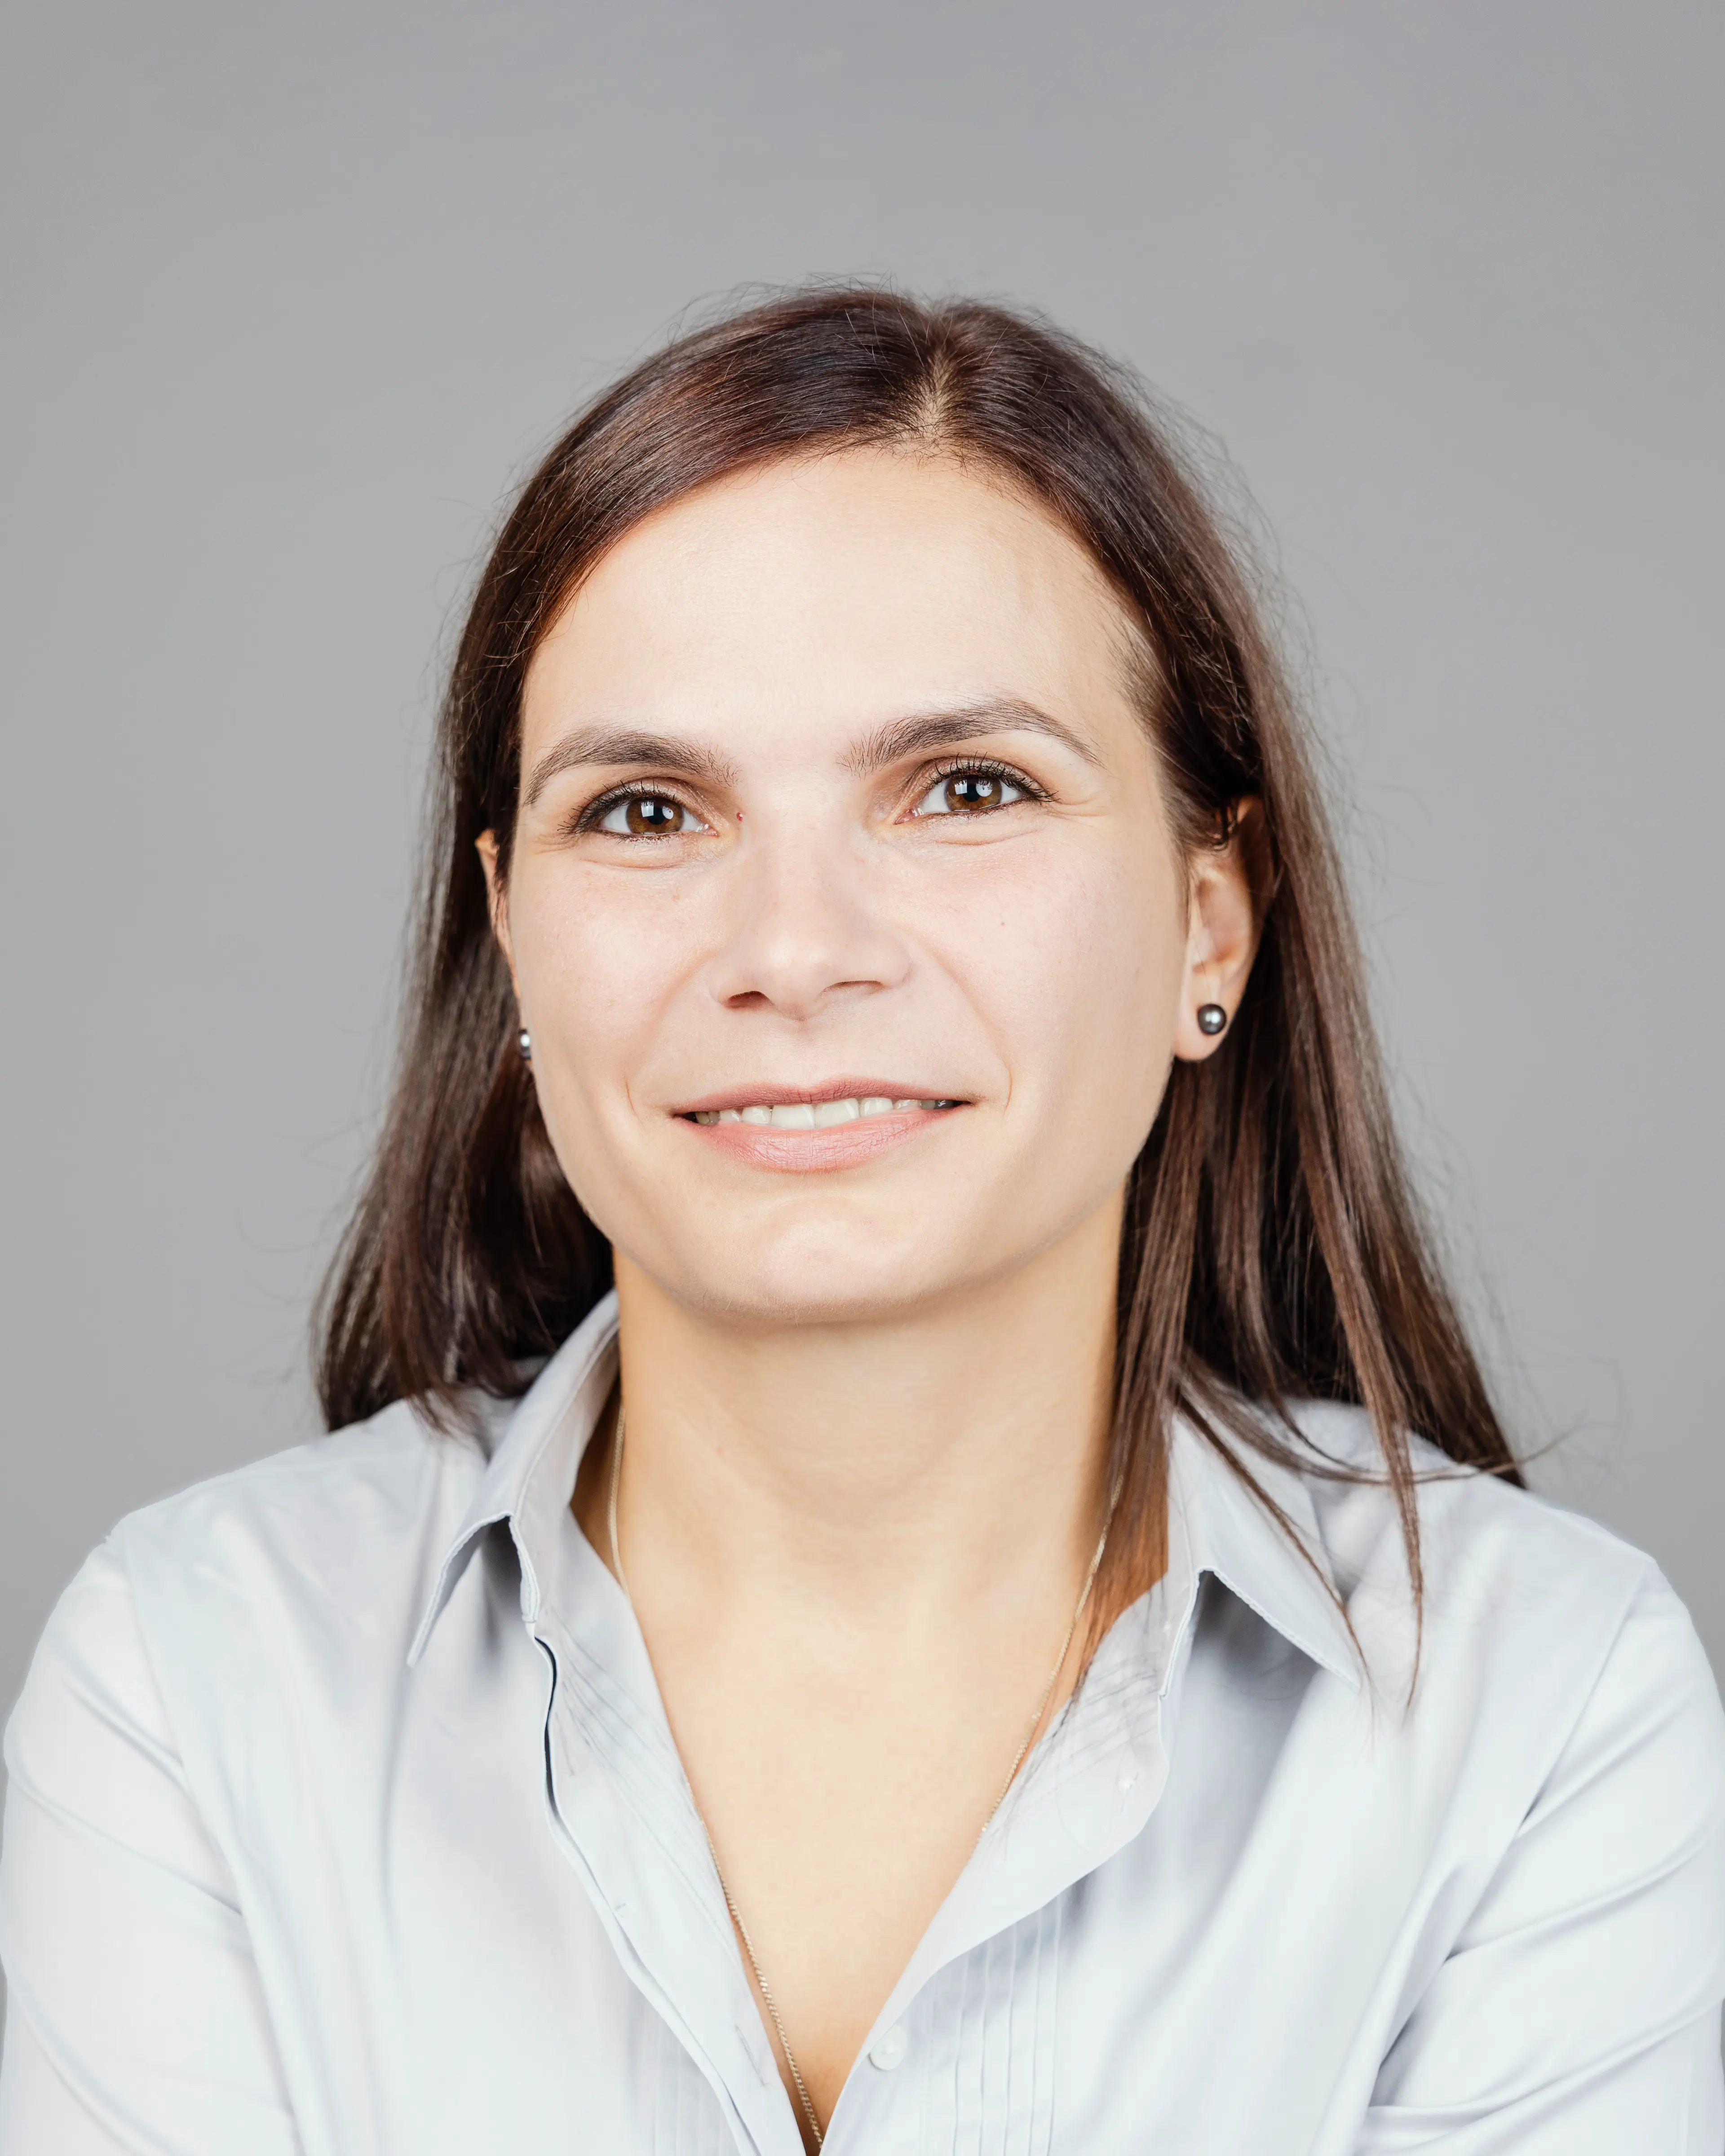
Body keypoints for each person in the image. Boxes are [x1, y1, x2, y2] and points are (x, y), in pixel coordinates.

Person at [2, 287, 1721, 2156]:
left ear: (1208, 921)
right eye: (646, 813)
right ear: (511, 933)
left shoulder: (1540, 1708)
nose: (795, 950)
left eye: (967, 789)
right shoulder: (196, 1678)